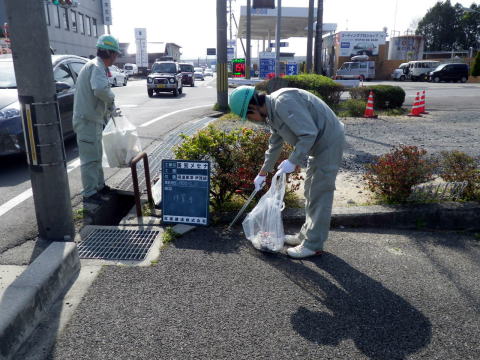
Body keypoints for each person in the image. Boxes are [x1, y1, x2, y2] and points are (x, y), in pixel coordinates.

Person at [229, 86, 345, 259]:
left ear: (253, 107)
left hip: (328, 143)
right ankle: (305, 236)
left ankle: (313, 245)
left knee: (319, 193)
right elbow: (275, 143)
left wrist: (293, 161)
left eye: (248, 116)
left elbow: (308, 134)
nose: (251, 120)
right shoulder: (271, 112)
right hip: (318, 146)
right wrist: (263, 173)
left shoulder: (283, 103)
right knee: (310, 191)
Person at [73, 35, 121, 203]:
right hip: (87, 120)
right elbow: (100, 89)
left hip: (92, 119)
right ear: (109, 52)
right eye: (115, 54)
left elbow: (99, 93)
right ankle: (90, 193)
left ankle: (99, 187)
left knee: (96, 155)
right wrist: (112, 99)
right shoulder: (96, 66)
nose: (116, 58)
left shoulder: (96, 65)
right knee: (90, 159)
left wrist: (110, 110)